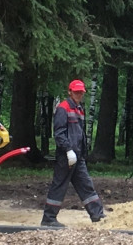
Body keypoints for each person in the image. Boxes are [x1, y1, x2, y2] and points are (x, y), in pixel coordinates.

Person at [41, 79, 105, 227]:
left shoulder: (79, 109)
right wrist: (68, 150)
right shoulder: (63, 108)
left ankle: (97, 215)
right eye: (76, 92)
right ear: (70, 92)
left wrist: (81, 153)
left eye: (81, 92)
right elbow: (59, 133)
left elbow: (79, 133)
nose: (79, 95)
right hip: (66, 156)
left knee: (86, 184)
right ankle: (49, 218)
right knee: (60, 185)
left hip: (78, 156)